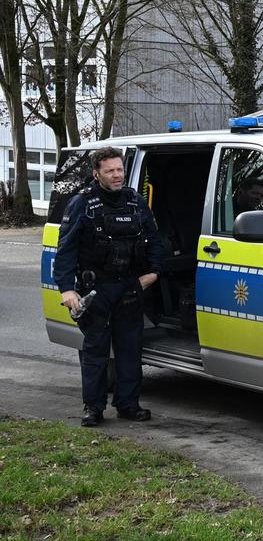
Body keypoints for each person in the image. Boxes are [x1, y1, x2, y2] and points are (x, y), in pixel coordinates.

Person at [54, 146, 164, 427]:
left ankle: (128, 405)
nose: (117, 175)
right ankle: (93, 408)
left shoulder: (136, 202)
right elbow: (65, 250)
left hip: (129, 287)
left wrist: (153, 272)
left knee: (130, 351)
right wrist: (67, 289)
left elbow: (153, 239)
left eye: (120, 170)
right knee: (96, 352)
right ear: (97, 173)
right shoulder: (82, 204)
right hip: (96, 289)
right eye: (110, 171)